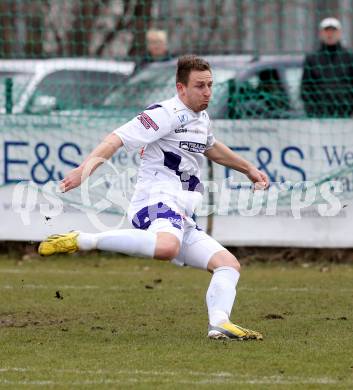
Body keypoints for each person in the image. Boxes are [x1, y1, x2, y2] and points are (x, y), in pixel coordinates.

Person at [38, 55, 269, 341]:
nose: (207, 92)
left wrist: (249, 170)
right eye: (200, 86)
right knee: (167, 248)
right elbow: (116, 138)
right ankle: (84, 239)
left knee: (227, 264)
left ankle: (220, 323)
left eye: (210, 85)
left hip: (181, 210)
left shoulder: (201, 118)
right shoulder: (164, 113)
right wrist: (85, 170)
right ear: (181, 88)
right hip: (155, 199)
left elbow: (211, 147)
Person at [300, 17, 353, 118]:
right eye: (327, 31)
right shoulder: (312, 59)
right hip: (319, 117)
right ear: (321, 33)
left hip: (346, 116)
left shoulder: (349, 58)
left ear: (339, 33)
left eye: (333, 31)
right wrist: (312, 111)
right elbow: (305, 88)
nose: (330, 34)